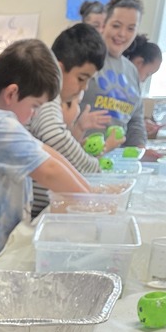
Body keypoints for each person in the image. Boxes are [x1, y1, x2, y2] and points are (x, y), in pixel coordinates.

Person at [0, 39, 90, 295]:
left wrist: (91, 192)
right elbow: (49, 171)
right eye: (34, 106)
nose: (34, 114)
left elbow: (46, 152)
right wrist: (93, 204)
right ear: (11, 94)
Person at [29, 23, 109, 217]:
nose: (84, 88)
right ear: (58, 69)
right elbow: (54, 135)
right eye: (81, 78)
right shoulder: (47, 92)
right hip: (31, 211)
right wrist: (92, 168)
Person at [77, 0, 147, 149]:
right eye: (116, 25)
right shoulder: (84, 59)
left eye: (131, 28)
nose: (122, 34)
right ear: (104, 25)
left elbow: (135, 120)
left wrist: (140, 149)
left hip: (117, 163)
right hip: (81, 157)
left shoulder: (132, 71)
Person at [124, 35, 163, 138]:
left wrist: (142, 123)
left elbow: (130, 117)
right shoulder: (122, 86)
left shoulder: (133, 89)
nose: (145, 79)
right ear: (139, 63)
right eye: (148, 74)